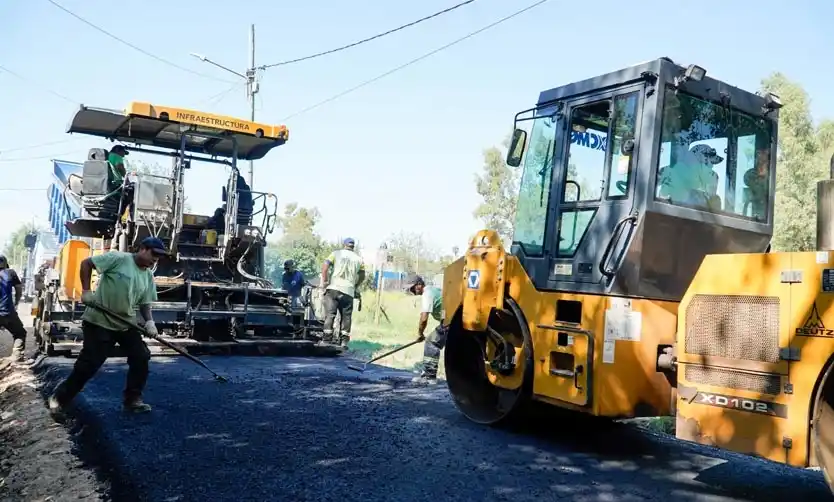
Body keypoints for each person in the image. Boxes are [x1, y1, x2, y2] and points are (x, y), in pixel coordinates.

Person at [48, 237, 166, 415]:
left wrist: (149, 322)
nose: (155, 260)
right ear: (142, 248)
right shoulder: (119, 259)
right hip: (99, 321)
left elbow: (145, 303)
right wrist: (86, 291)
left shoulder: (148, 276)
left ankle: (132, 400)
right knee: (90, 364)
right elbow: (86, 264)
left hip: (125, 324)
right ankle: (59, 399)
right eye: (153, 254)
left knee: (141, 356)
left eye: (158, 257)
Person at [320, 238, 365, 348]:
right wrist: (355, 285)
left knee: (330, 315)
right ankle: (344, 342)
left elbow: (325, 266)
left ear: (344, 245)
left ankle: (326, 340)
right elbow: (363, 275)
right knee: (346, 317)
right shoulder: (359, 259)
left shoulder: (335, 254)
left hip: (334, 288)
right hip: (348, 291)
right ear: (353, 246)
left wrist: (325, 282)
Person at [404, 275, 447, 384]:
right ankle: (427, 373)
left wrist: (420, 333)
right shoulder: (433, 290)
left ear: (419, 284)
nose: (412, 290)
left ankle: (429, 377)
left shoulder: (427, 294)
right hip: (451, 321)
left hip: (451, 322)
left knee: (431, 342)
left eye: (413, 288)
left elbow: (424, 318)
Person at [0, 255, 27, 363]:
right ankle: (17, 355)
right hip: (7, 311)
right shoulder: (10, 272)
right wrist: (16, 302)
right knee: (20, 333)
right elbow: (19, 289)